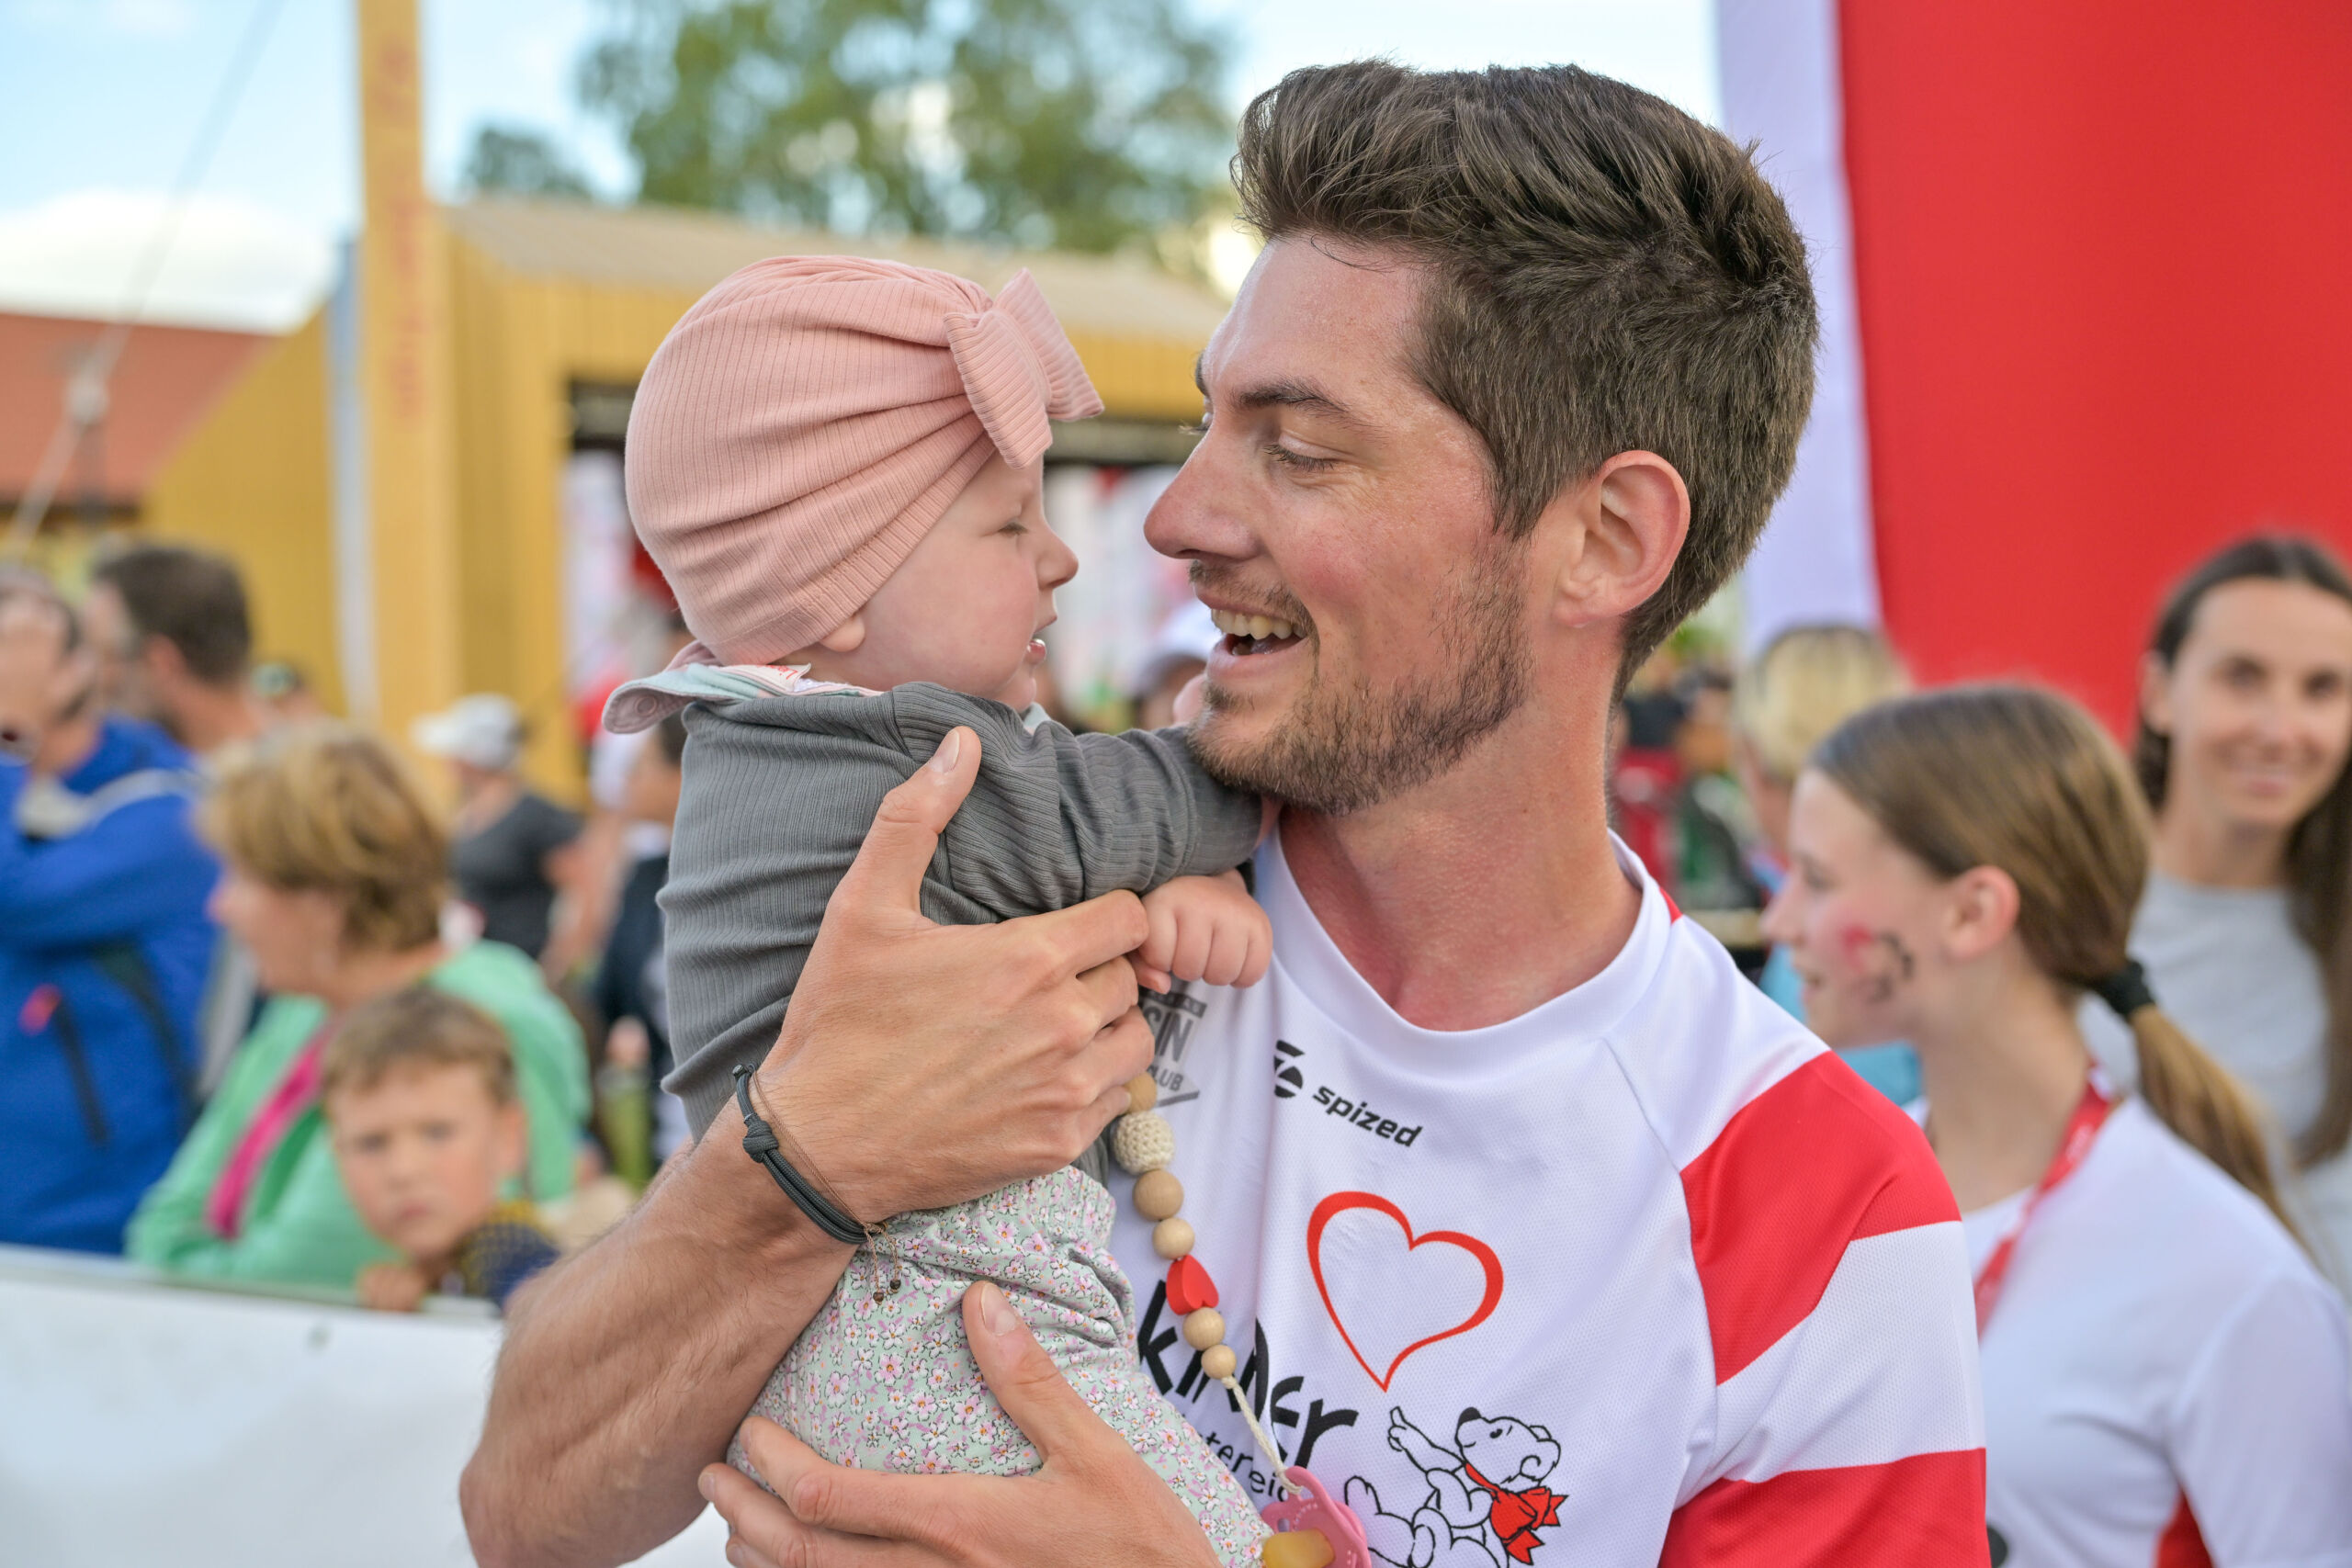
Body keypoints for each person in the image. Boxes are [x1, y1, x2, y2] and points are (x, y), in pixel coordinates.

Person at [465, 62, 1984, 1568]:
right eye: (1208, 422)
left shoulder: (1823, 1211)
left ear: (1603, 538)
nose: (1176, 518)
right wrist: (792, 1168)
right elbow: (528, 1512)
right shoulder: (1007, 919)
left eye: (1299, 447)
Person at [598, 254, 1273, 1562]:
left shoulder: (758, 749)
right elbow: (1130, 805)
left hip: (833, 1340)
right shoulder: (906, 752)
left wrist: (1159, 890)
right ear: (835, 589)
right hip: (929, 1326)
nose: (1064, 554)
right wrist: (1226, 736)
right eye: (1010, 523)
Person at [1763, 684, 2352, 1564]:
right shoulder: (1825, 1203)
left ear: (1972, 913)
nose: (1779, 922)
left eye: (1817, 878)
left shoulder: (2228, 1279)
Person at [125, 726, 589, 1289]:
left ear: (324, 900)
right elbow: (161, 1224)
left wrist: (177, 1259)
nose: (220, 907)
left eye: (243, 877)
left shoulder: (474, 1018)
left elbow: (295, 1277)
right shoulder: (309, 1009)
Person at [2098, 535, 2352, 1288]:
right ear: (2159, 692)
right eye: (2243, 678)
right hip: (2114, 1382)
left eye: (2322, 688)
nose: (2280, 729)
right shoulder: (2056, 909)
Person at [0, 572, 218, 1254]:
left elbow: (18, 898)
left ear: (77, 669)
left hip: (91, 1220)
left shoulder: (168, 810)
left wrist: (10, 733)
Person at [1732, 622, 1915, 1100]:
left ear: (1754, 758)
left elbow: (1855, 1142)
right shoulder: (1916, 877)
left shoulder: (1829, 942)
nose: (1779, 925)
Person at [324, 987, 561, 1314]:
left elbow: (548, 1309)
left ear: (507, 1138)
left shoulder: (504, 1246)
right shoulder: (443, 1271)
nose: (403, 1170)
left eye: (437, 1133)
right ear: (338, 1154)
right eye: (372, 1142)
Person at [413, 694, 594, 976]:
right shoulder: (462, 812)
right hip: (470, 970)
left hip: (522, 970)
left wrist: (556, 966)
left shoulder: (539, 817)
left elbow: (584, 893)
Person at [593, 714, 688, 1163]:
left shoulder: (741, 883)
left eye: (642, 764)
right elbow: (609, 994)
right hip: (668, 1137)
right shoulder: (645, 877)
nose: (627, 778)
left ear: (685, 771)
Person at [84, 544, 268, 759]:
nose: (93, 680)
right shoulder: (294, 770)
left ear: (162, 663)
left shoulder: (290, 785)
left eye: (105, 657)